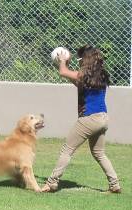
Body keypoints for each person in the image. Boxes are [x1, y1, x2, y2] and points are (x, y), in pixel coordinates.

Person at [42, 45, 121, 193]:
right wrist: (65, 66)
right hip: (103, 119)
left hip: (89, 119)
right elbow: (72, 77)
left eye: (80, 59)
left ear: (85, 60)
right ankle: (115, 185)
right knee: (99, 153)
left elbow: (63, 72)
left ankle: (51, 183)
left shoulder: (83, 75)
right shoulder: (100, 75)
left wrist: (63, 61)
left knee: (67, 150)